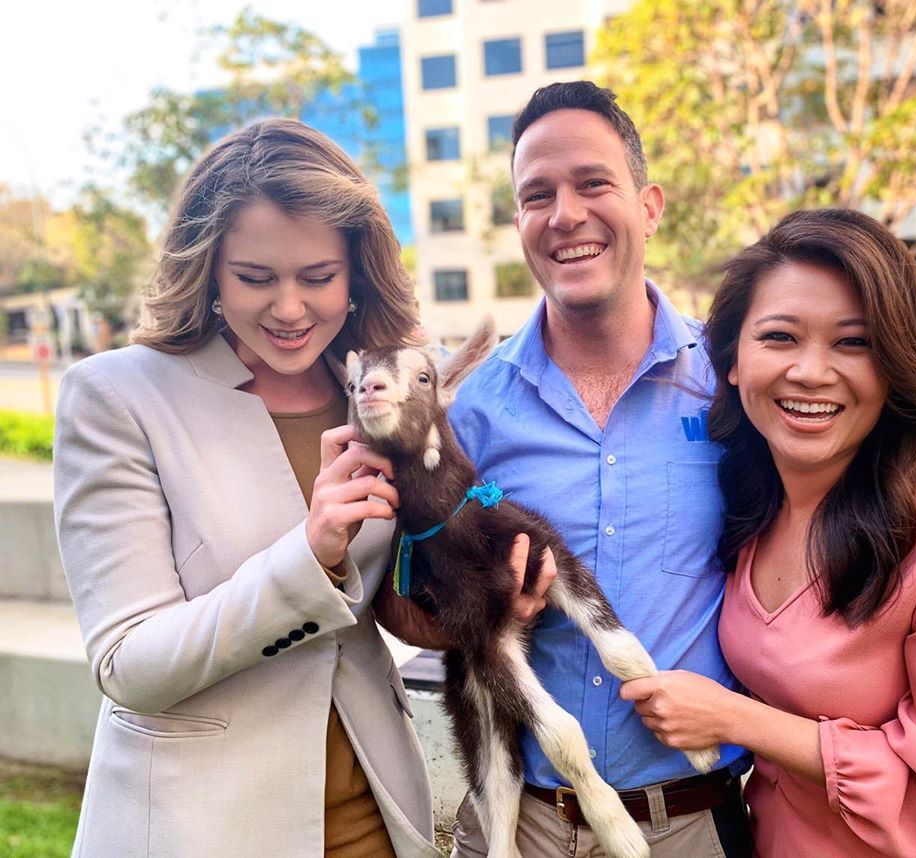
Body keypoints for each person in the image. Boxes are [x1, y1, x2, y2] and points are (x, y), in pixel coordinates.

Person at [53, 118, 449, 857]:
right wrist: (308, 555)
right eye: (255, 278)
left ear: (358, 273)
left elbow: (379, 605)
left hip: (373, 817)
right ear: (208, 271)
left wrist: (480, 602)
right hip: (200, 825)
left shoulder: (377, 388)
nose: (290, 309)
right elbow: (127, 665)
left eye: (318, 277)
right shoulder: (117, 397)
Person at [621, 208, 916, 857]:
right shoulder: (745, 509)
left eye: (853, 343)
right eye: (780, 337)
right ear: (731, 360)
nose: (811, 372)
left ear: (895, 364)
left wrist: (736, 719)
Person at [447, 81, 753, 857]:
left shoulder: (735, 383)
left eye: (593, 183)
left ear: (649, 207)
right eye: (537, 195)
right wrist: (480, 603)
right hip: (520, 823)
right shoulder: (474, 411)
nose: (565, 215)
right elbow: (416, 593)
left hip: (690, 825)